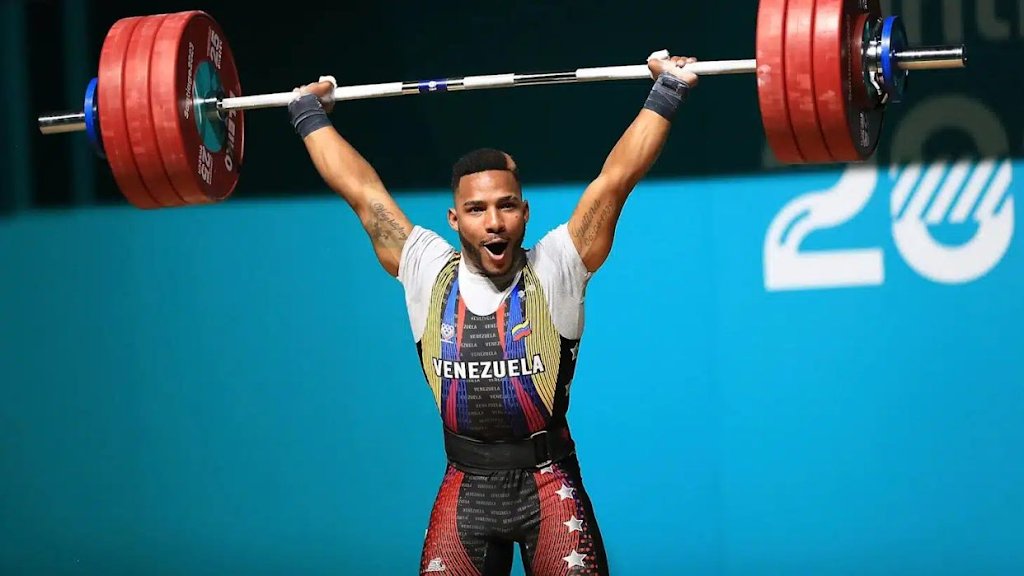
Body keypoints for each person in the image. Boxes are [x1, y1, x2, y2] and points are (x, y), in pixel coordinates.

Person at [286, 51, 699, 576]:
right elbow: (363, 194)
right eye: (478, 210)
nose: (494, 223)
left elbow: (615, 179)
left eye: (506, 205)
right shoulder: (427, 270)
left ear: (525, 212)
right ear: (454, 219)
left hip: (550, 485)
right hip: (466, 487)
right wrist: (307, 112)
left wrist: (668, 90)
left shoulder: (557, 266)